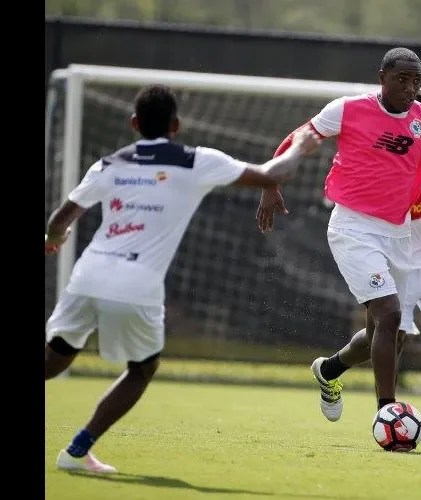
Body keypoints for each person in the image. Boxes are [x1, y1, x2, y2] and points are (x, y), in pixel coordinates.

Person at [44, 84, 321, 473]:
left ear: (134, 123)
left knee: (55, 359)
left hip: (87, 274)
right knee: (141, 369)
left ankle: (77, 451)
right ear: (176, 125)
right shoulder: (195, 161)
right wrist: (302, 145)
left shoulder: (109, 164)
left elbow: (59, 220)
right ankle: (76, 451)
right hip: (135, 283)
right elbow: (275, 172)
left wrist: (56, 240)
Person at [255, 48, 421, 444]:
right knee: (390, 313)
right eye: (402, 79)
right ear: (382, 76)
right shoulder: (347, 109)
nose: (410, 87)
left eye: (416, 80)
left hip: (398, 234)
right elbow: (299, 139)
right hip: (352, 226)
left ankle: (328, 371)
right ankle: (388, 411)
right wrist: (269, 184)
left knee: (382, 332)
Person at [303, 90, 421, 439]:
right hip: (395, 252)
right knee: (389, 334)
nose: (420, 131)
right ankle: (348, 383)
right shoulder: (388, 155)